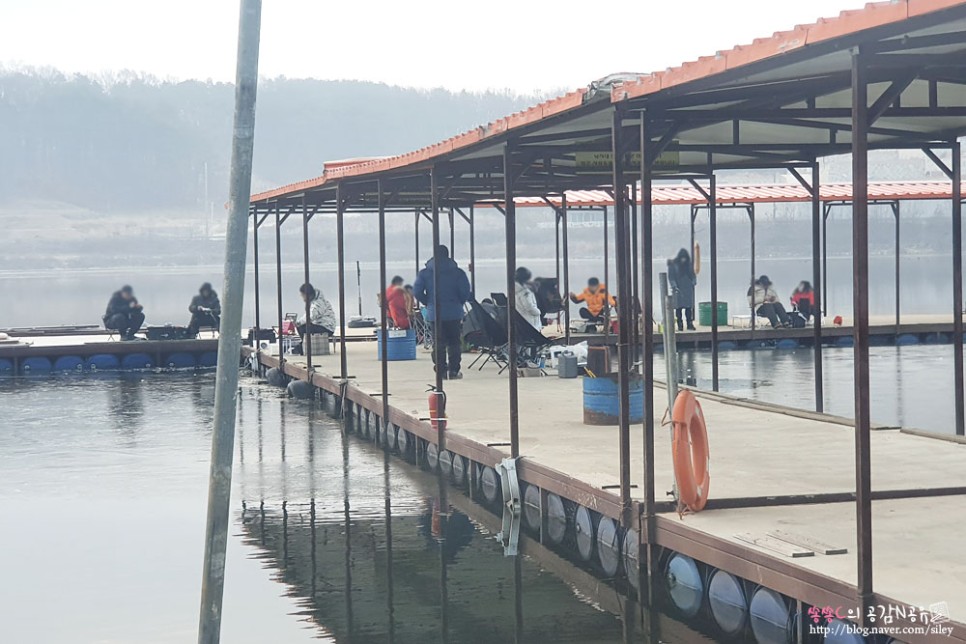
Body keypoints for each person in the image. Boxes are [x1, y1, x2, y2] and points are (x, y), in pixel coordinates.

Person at [412, 245, 472, 380]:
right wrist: (459, 303)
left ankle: (441, 371)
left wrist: (428, 302)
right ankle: (454, 371)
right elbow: (465, 292)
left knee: (438, 343)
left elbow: (417, 292)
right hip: (454, 313)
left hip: (435, 314)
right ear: (448, 255)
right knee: (454, 343)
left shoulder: (425, 273)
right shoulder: (458, 273)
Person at [668, 248, 697, 331]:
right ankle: (680, 325)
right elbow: (671, 277)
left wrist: (693, 282)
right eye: (682, 258)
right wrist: (674, 286)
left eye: (685, 258)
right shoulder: (673, 265)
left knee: (688, 308)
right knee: (678, 308)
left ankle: (689, 324)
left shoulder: (689, 264)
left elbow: (693, 275)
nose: (684, 260)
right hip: (678, 289)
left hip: (688, 289)